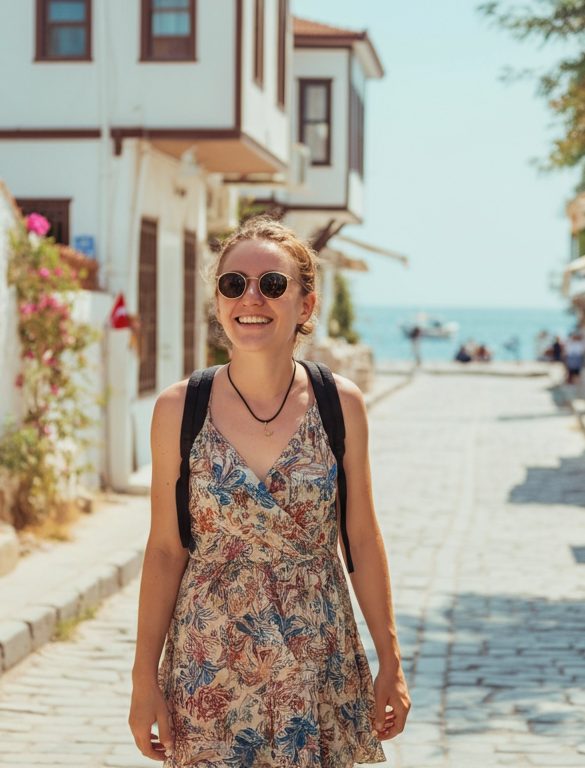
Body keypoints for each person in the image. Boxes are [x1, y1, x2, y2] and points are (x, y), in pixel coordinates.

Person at [129, 217, 408, 766]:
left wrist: (391, 661)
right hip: (209, 666)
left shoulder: (340, 404)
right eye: (233, 284)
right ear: (218, 302)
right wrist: (144, 678)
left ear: (305, 305)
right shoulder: (178, 409)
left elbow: (361, 539)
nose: (250, 298)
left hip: (316, 661)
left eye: (273, 284)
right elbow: (165, 549)